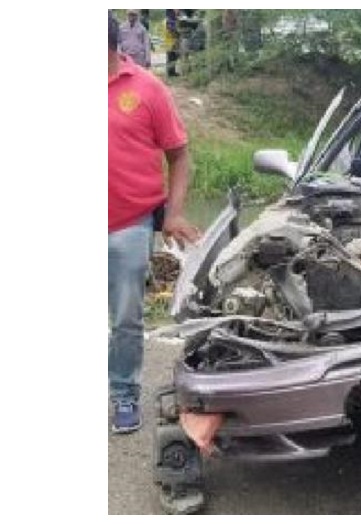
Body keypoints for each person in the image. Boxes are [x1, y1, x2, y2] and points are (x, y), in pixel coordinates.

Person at [109, 11, 201, 434]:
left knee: (126, 316)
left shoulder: (147, 89)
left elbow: (179, 154)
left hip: (128, 222)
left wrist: (175, 212)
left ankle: (124, 394)